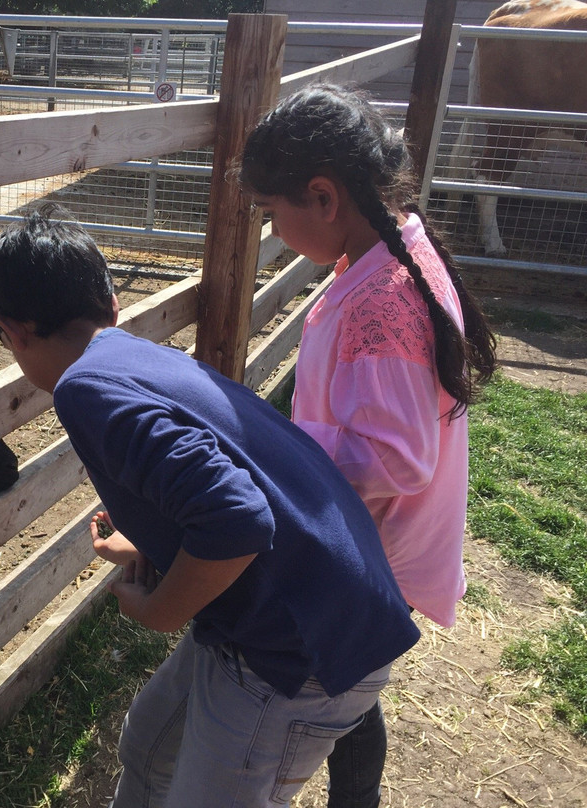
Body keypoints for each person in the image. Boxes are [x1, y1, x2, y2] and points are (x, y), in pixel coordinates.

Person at [0, 204, 421, 808]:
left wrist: (161, 610)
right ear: (110, 304)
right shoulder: (133, 355)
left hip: (297, 655)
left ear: (12, 329)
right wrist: (150, 544)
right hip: (300, 608)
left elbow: (237, 517)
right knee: (149, 744)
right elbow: (221, 489)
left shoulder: (82, 389)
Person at [239, 83, 498, 808]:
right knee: (352, 681)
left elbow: (392, 456)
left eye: (271, 214)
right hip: (374, 536)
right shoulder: (393, 247)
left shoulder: (384, 298)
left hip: (372, 543)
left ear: (323, 197)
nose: (273, 230)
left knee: (340, 680)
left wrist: (279, 455)